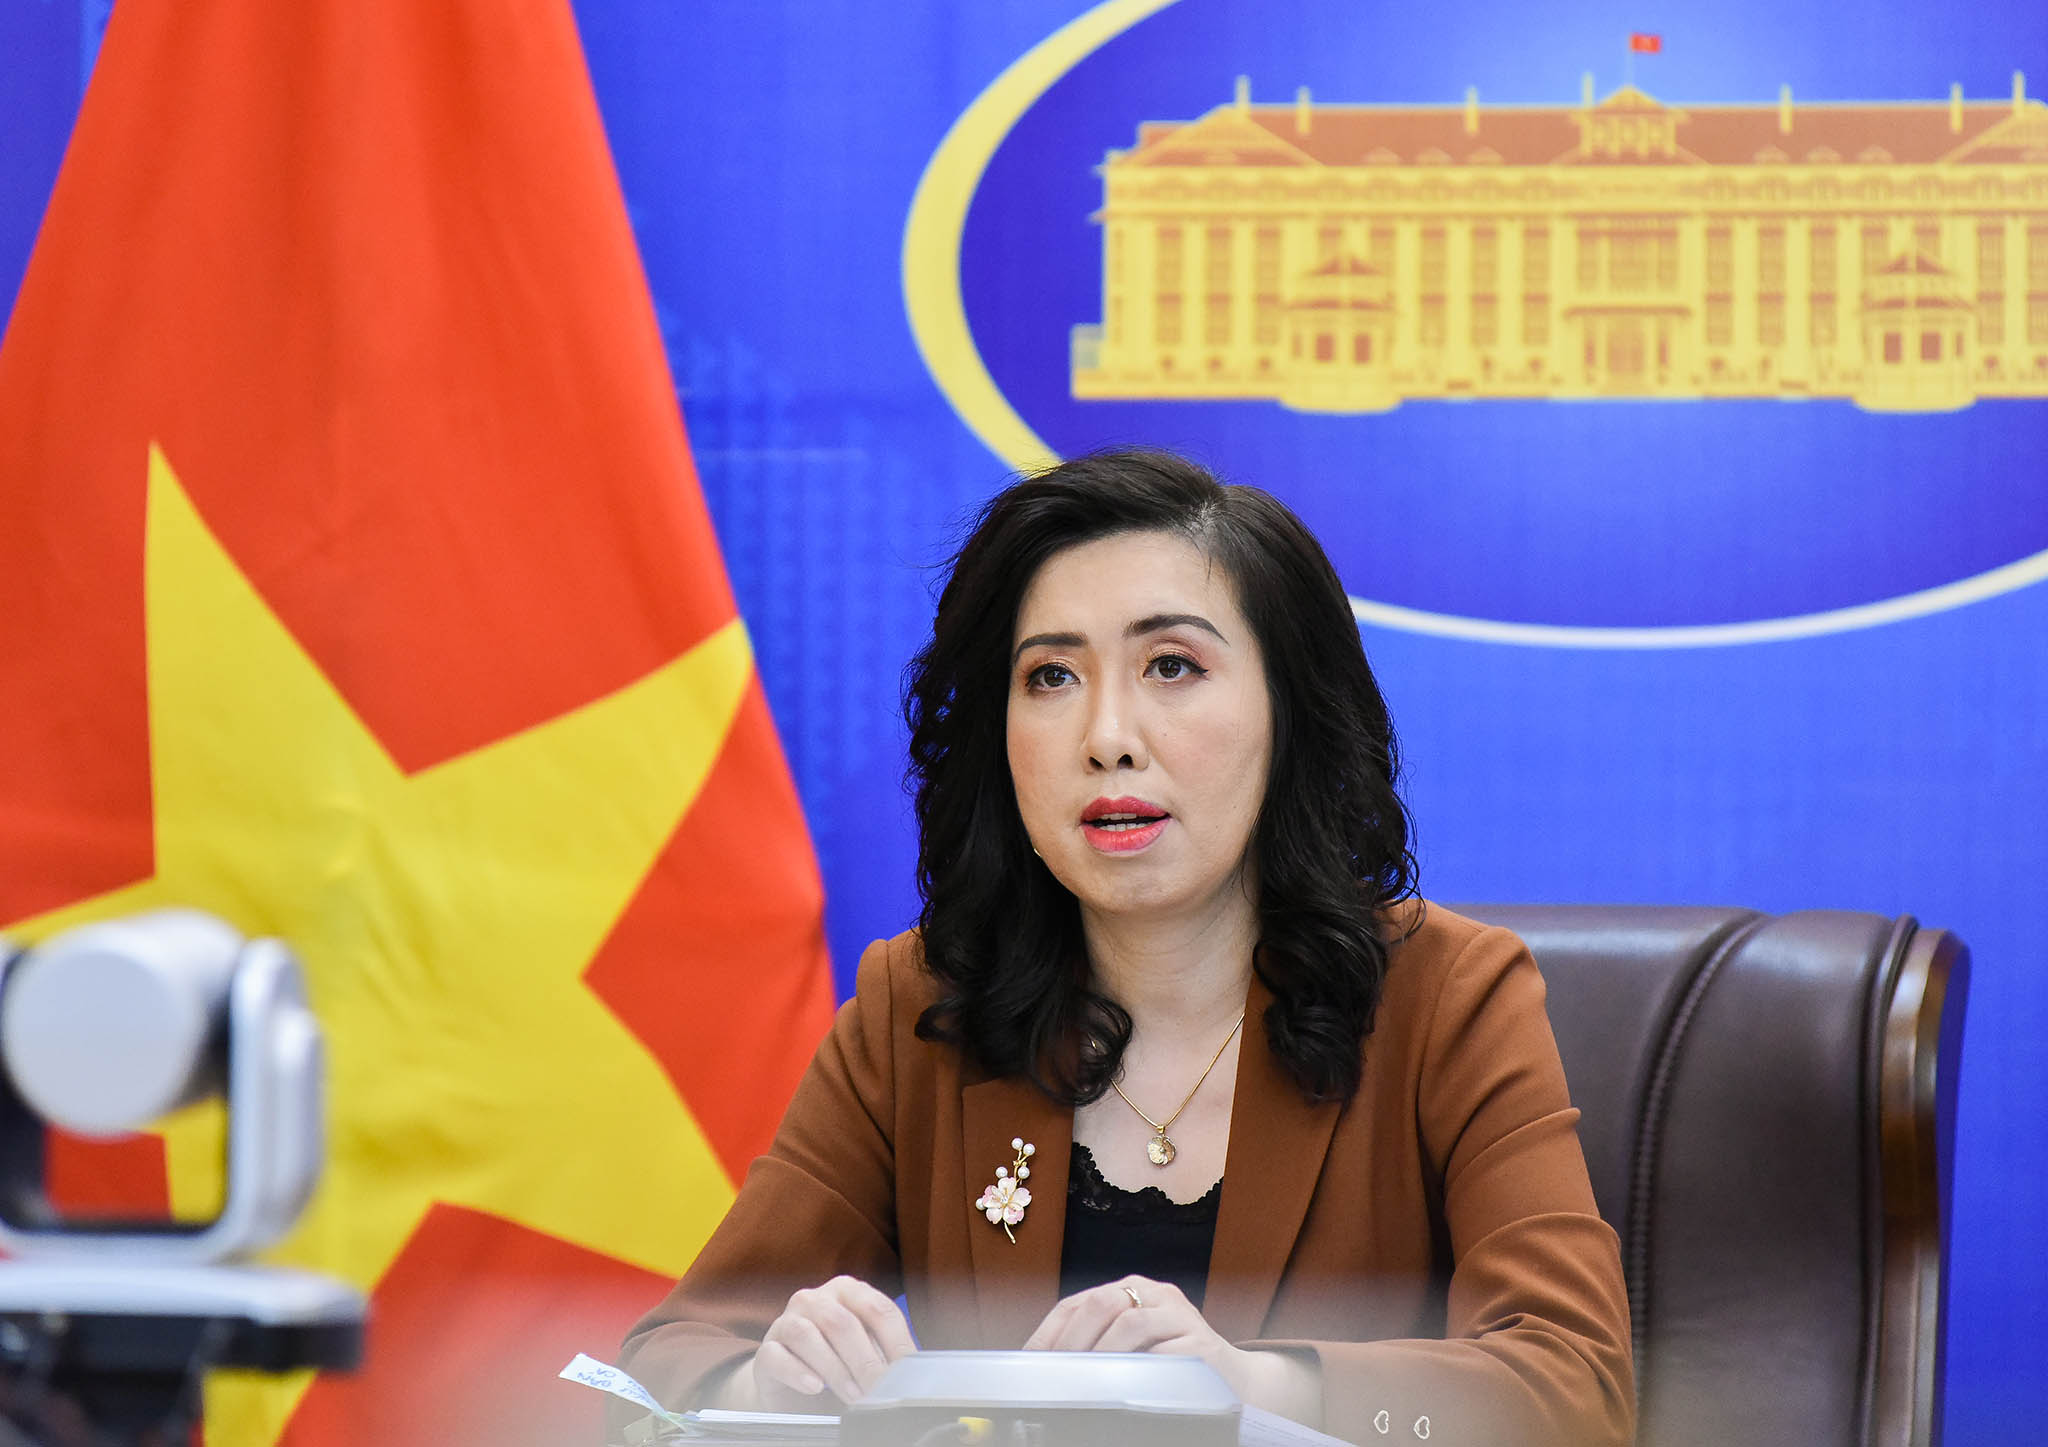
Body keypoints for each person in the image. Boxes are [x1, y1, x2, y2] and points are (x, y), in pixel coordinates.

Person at [619, 449, 1634, 1445]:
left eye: (1171, 666)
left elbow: (1576, 1390)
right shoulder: (922, 1008)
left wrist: (1250, 1385)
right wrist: (769, 1380)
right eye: (1051, 675)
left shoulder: (1446, 998)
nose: (1106, 736)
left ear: (1289, 712)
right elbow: (658, 1372)